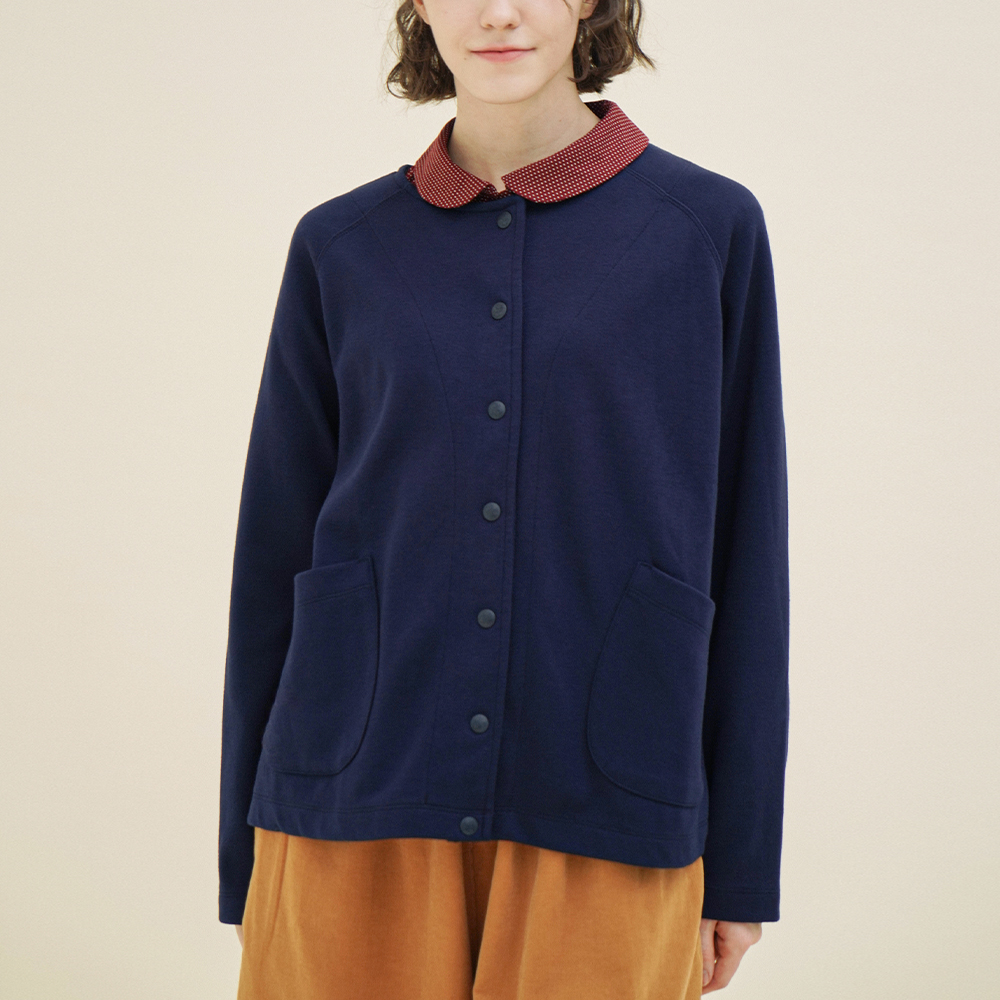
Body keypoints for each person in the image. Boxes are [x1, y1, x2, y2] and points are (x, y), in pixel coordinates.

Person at [219, 1, 790, 997]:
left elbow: (749, 546)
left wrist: (741, 865)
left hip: (612, 792)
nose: (496, 12)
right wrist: (242, 854)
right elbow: (274, 552)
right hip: (355, 789)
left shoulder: (704, 230)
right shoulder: (340, 246)